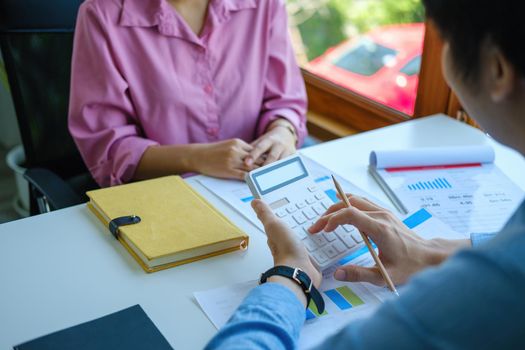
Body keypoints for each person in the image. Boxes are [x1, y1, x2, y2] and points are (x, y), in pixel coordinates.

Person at [205, 0, 525, 348]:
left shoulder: (484, 292)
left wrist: (290, 276)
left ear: (497, 70)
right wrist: (435, 252)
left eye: (445, 40)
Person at [68, 0, 307, 187]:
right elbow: (109, 149)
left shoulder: (265, 5)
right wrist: (196, 158)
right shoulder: (101, 15)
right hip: (163, 196)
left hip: (252, 188)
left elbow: (284, 101)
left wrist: (283, 131)